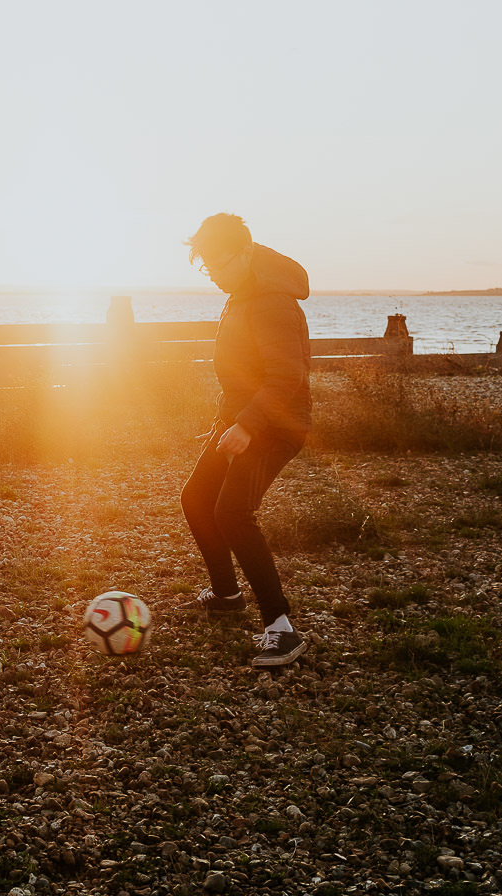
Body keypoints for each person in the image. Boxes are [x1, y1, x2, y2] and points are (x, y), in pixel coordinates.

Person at [181, 214, 311, 668]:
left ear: (247, 250)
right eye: (207, 267)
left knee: (233, 513)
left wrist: (248, 425)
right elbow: (242, 375)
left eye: (220, 263)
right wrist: (227, 421)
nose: (214, 274)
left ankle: (282, 628)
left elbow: (286, 376)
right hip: (242, 420)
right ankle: (226, 595)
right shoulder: (242, 292)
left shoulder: (271, 299)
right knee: (197, 499)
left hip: (276, 425)